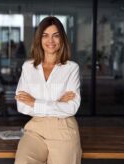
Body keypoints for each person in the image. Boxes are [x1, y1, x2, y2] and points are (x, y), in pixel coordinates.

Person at [14, 16, 82, 164]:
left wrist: (34, 102)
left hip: (63, 128)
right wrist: (57, 103)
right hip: (35, 128)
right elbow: (22, 105)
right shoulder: (28, 67)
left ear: (62, 39)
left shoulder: (71, 68)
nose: (50, 40)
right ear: (39, 39)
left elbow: (71, 107)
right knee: (23, 161)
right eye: (45, 35)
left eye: (55, 35)